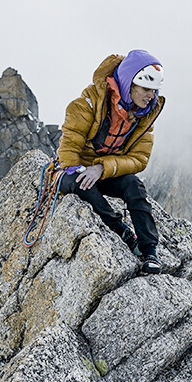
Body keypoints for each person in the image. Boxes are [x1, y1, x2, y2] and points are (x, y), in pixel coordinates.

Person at [56, 49, 165, 274]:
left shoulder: (145, 116)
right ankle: (120, 229)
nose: (150, 96)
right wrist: (77, 169)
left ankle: (149, 250)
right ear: (129, 85)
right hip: (76, 170)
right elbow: (69, 145)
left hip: (102, 172)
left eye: (154, 91)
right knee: (81, 184)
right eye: (145, 89)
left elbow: (139, 159)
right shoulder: (89, 103)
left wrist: (101, 168)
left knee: (133, 185)